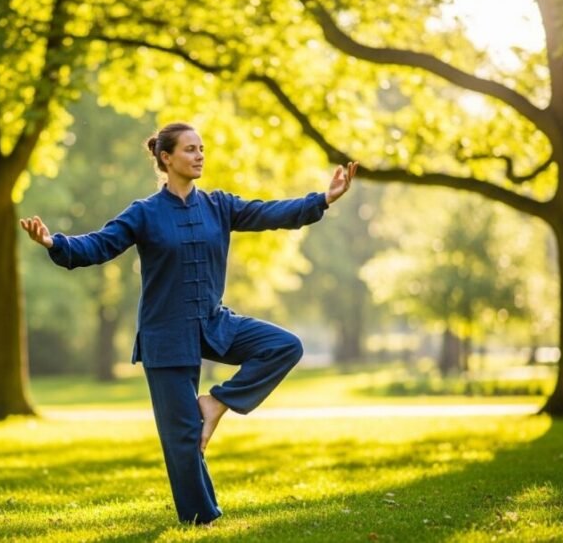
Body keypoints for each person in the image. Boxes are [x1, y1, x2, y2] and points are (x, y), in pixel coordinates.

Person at [20, 122, 357, 525]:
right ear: (166, 158)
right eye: (190, 149)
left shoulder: (219, 206)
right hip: (165, 335)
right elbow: (99, 244)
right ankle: (202, 519)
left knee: (285, 346)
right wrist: (55, 243)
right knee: (183, 440)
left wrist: (323, 198)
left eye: (202, 148)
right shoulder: (144, 213)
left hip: (214, 323)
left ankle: (215, 403)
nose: (199, 155)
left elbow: (270, 213)